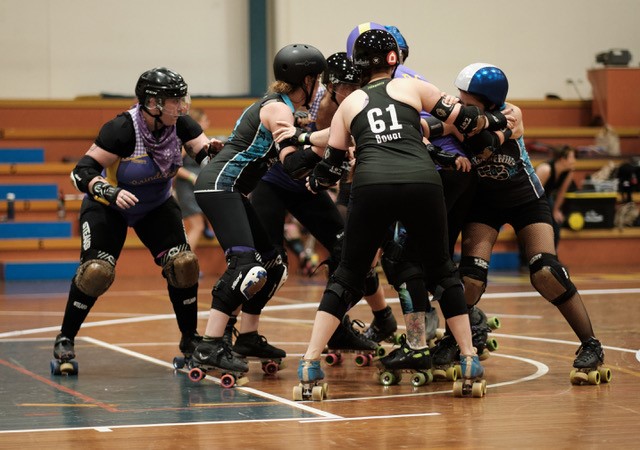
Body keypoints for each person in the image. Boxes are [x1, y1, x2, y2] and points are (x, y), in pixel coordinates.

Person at [295, 29, 510, 399]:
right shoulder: (413, 88)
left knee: (348, 274)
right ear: (395, 59)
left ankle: (311, 361)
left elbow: (330, 168)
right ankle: (469, 357)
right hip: (423, 184)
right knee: (440, 269)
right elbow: (465, 119)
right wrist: (499, 121)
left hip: (372, 186)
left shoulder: (350, 104)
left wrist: (314, 181)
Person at [51, 67, 223, 374]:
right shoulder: (122, 129)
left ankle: (189, 340)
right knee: (96, 272)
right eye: (174, 100)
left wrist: (214, 154)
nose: (181, 105)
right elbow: (81, 172)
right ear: (153, 103)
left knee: (183, 264)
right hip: (109, 206)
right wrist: (107, 190)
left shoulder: (181, 124)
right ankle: (66, 338)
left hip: (155, 206)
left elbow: (203, 156)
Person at [451, 63, 610, 384]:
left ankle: (590, 344)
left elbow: (486, 141)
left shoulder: (511, 114)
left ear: (488, 100)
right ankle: (456, 340)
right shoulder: (464, 112)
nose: (461, 101)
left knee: (546, 271)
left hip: (527, 200)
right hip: (485, 206)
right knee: (470, 278)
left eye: (467, 97)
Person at [189, 44, 329, 381]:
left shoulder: (281, 108)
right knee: (246, 267)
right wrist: (336, 138)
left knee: (273, 264)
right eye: (317, 80)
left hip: (229, 188)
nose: (319, 87)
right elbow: (293, 163)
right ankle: (210, 344)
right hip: (219, 185)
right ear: (306, 80)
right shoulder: (276, 110)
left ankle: (247, 337)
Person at [250, 51, 398, 353]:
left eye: (358, 85)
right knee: (268, 262)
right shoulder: (309, 102)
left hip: (311, 184)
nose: (354, 92)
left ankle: (372, 320)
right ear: (330, 85)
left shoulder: (356, 107)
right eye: (348, 86)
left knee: (349, 248)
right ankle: (232, 331)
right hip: (275, 182)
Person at [174, 108, 215, 258]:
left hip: (197, 187)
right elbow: (175, 167)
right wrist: (192, 177)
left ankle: (205, 223)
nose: (208, 123)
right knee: (196, 227)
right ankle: (185, 262)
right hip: (187, 188)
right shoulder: (187, 142)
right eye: (204, 120)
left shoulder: (203, 141)